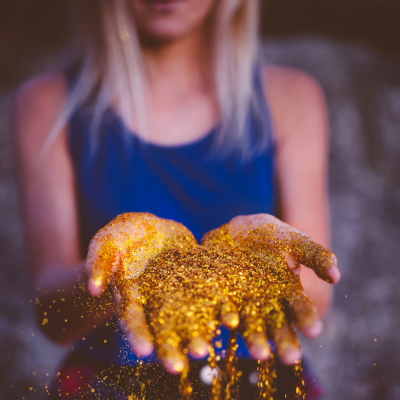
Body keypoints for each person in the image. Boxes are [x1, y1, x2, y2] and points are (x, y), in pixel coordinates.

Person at [13, 0, 340, 398]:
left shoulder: (290, 97)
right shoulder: (47, 105)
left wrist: (266, 269)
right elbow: (54, 318)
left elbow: (317, 296)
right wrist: (111, 272)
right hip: (110, 385)